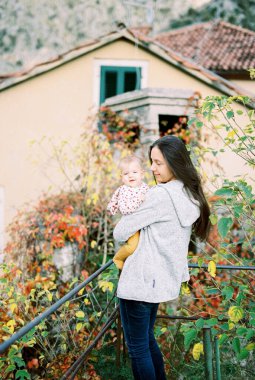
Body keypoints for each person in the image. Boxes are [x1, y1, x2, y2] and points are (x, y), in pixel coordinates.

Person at [113, 135, 211, 380]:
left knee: (137, 348)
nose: (152, 169)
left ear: (175, 163)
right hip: (159, 281)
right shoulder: (189, 194)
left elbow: (120, 232)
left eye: (158, 163)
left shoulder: (160, 196)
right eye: (151, 162)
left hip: (140, 280)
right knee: (146, 340)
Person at [107, 155, 149, 269]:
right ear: (122, 177)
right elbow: (124, 208)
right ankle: (118, 258)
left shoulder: (145, 188)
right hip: (131, 223)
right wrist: (138, 202)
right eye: (126, 173)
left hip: (145, 222)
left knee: (146, 246)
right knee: (132, 246)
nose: (130, 175)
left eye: (134, 172)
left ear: (142, 174)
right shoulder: (123, 191)